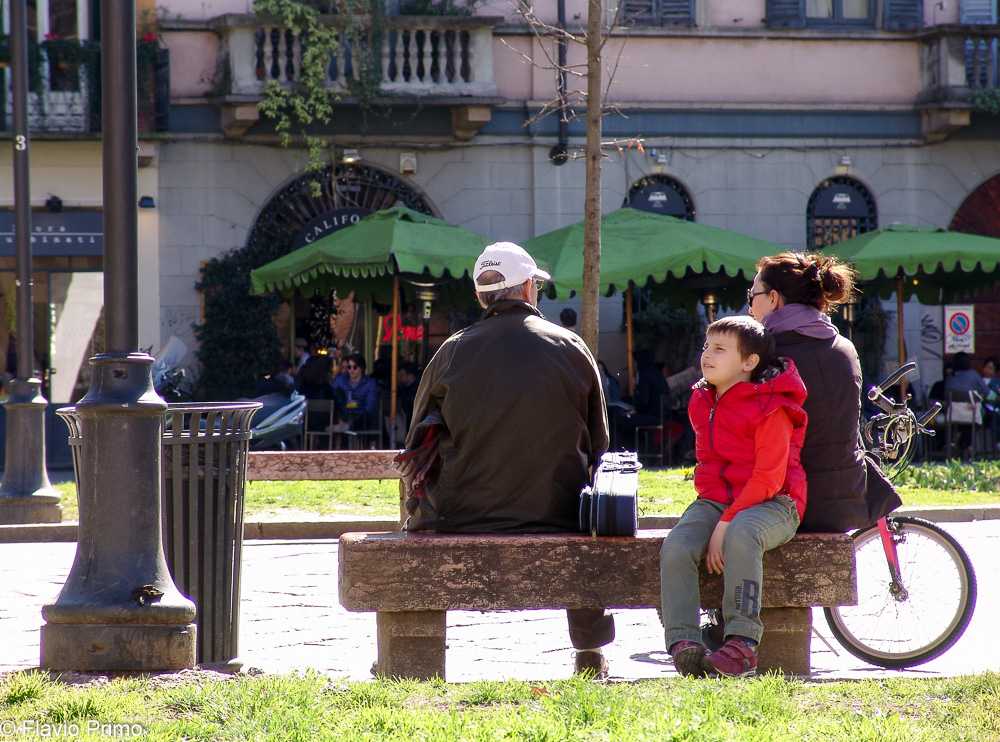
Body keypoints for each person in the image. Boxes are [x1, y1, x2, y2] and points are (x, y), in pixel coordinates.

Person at [397, 241, 612, 677]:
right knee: (590, 516)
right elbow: (599, 445)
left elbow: (416, 438)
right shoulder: (571, 346)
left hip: (461, 515)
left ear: (481, 297)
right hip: (559, 515)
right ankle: (589, 648)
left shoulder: (451, 351)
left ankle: (412, 646)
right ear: (529, 287)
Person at [660, 316, 807, 677]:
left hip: (775, 503)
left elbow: (769, 478)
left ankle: (742, 643)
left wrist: (725, 523)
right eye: (706, 346)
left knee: (743, 532)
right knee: (677, 546)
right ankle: (684, 641)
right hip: (716, 501)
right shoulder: (702, 400)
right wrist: (715, 515)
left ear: (749, 362)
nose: (707, 355)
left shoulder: (771, 406)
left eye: (720, 349)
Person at [749, 252, 899, 532]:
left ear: (773, 298)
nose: (749, 306)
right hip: (849, 495)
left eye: (752, 295)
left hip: (791, 501)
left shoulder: (765, 354)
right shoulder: (844, 347)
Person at [333, 353, 380, 430]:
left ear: (361, 368)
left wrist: (356, 414)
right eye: (349, 367)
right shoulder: (341, 380)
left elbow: (370, 407)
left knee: (366, 415)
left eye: (354, 367)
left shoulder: (370, 383)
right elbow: (332, 397)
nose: (351, 370)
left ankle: (348, 426)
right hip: (343, 416)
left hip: (362, 418)